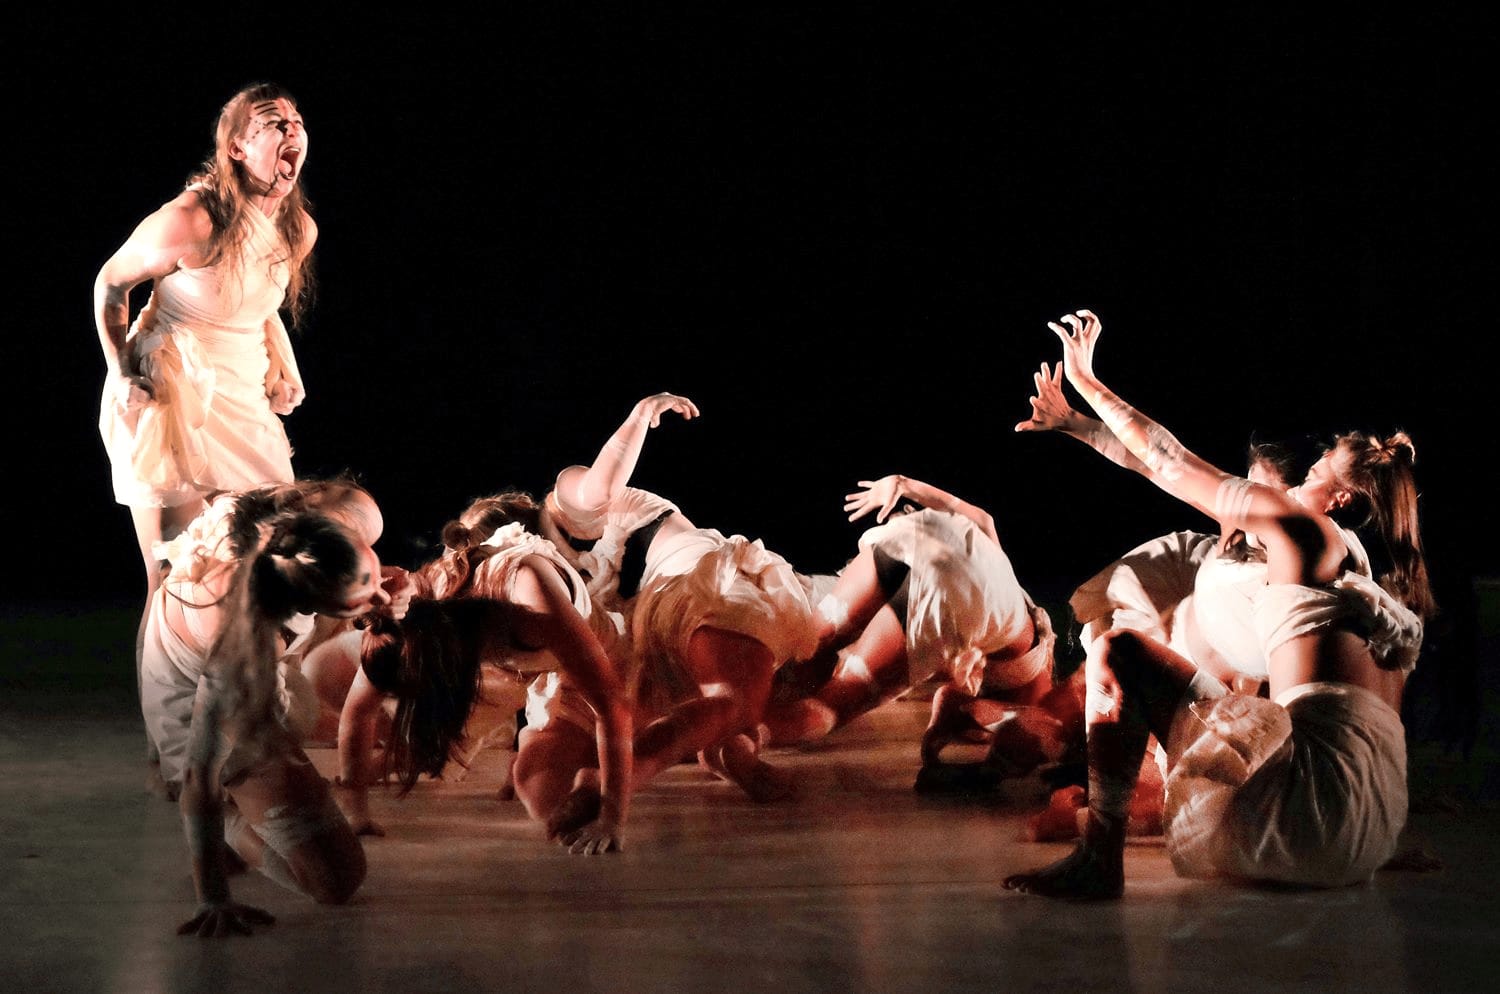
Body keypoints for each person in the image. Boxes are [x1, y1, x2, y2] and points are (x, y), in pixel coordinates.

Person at [1003, 309, 1432, 899]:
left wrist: (1088, 380)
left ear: (1337, 500)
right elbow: (1160, 470)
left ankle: (1097, 860)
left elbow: (1170, 460)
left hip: (1305, 821)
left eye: (1313, 471)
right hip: (1371, 832)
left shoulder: (1303, 531)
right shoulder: (1383, 601)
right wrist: (1080, 426)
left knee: (1118, 651)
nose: (1298, 480)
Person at [94, 82, 317, 789]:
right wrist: (121, 370)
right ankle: (170, 748)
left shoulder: (297, 229)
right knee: (173, 577)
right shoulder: (189, 220)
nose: (290, 131)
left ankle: (245, 716)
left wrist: (282, 362)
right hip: (169, 396)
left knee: (269, 560)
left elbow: (255, 301)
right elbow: (110, 285)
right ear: (238, 147)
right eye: (271, 123)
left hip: (239, 397)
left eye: (296, 121)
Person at [514, 392, 824, 829]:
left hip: (635, 634)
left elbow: (595, 491)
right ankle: (686, 759)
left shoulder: (536, 565)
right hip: (670, 592)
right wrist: (639, 416)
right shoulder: (554, 513)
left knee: (562, 735)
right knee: (733, 700)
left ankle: (725, 749)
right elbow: (597, 489)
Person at [151, 481, 406, 937]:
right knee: (337, 881)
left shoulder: (296, 530)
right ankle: (231, 818)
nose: (382, 596)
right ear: (305, 599)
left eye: (371, 571)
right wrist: (213, 896)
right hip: (200, 709)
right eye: (365, 590)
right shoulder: (241, 657)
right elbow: (198, 774)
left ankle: (267, 792)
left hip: (266, 662)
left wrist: (373, 583)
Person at [321, 491, 636, 855]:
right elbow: (359, 710)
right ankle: (531, 748)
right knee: (449, 756)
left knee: (549, 794)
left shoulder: (530, 597)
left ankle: (605, 762)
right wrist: (355, 810)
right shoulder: (414, 610)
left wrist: (612, 818)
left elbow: (612, 706)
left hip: (597, 654)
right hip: (509, 665)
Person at [758, 474, 1080, 796]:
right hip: (959, 594)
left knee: (804, 643)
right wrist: (987, 761)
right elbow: (977, 710)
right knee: (831, 705)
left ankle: (738, 699)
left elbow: (984, 520)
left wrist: (902, 484)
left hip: (934, 534)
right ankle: (742, 734)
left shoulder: (1018, 608)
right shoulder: (1036, 699)